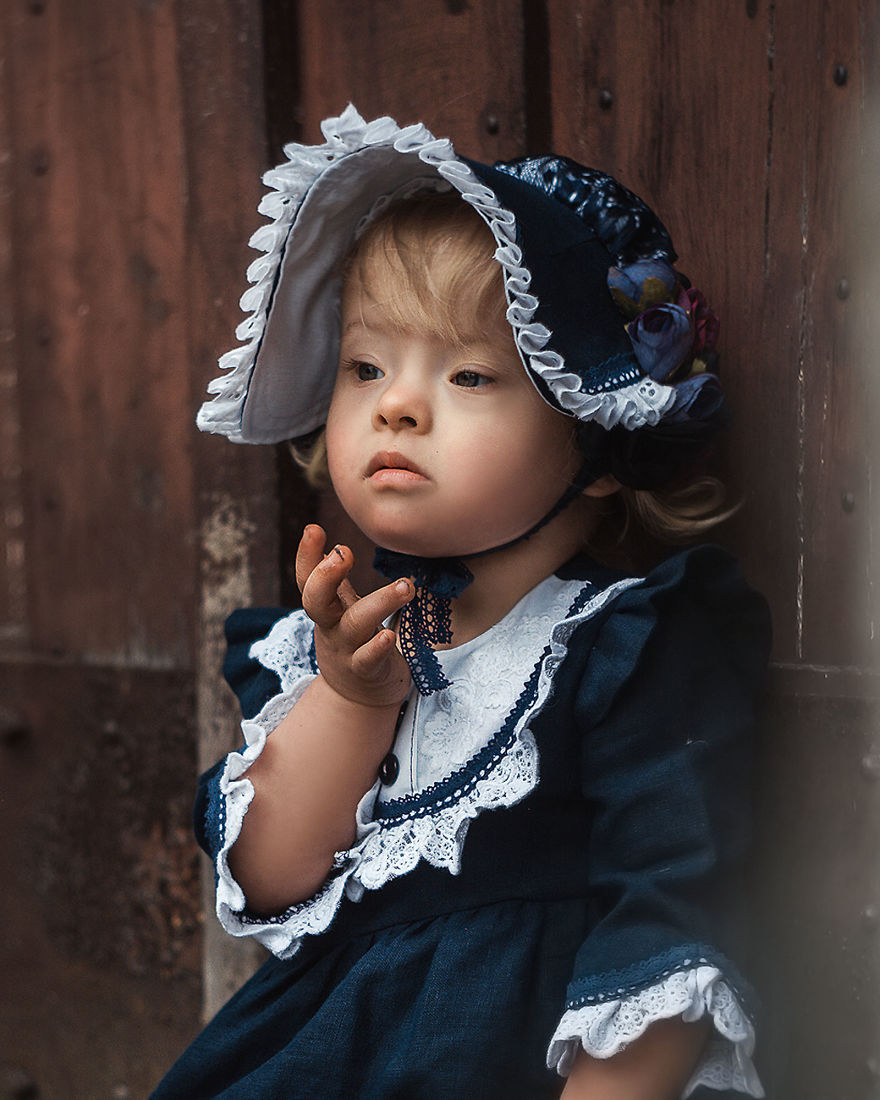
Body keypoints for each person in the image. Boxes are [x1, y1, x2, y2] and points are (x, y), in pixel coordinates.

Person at [152, 106, 771, 1099]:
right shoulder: (324, 641)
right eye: (366, 366)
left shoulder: (624, 646)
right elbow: (268, 878)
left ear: (599, 446)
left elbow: (668, 925)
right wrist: (352, 701)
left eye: (471, 372)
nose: (396, 403)